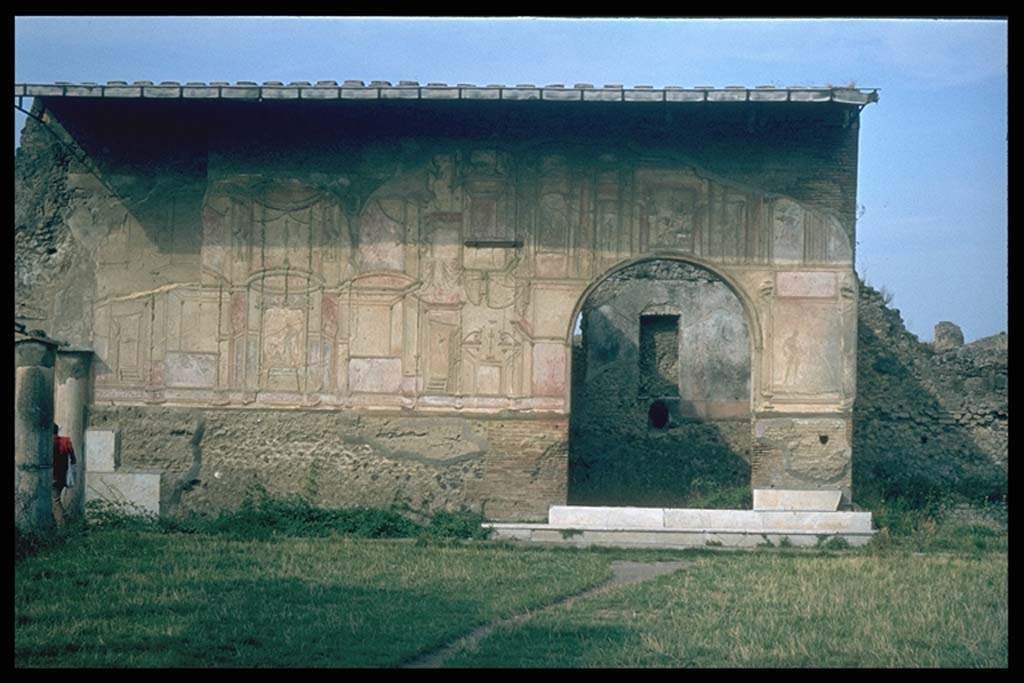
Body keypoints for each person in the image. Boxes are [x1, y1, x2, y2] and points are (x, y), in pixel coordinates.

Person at [52, 424, 77, 527]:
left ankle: (62, 525)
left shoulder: (49, 442)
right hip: (62, 477)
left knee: (55, 501)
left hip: (51, 477)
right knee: (55, 499)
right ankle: (61, 519)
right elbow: (73, 459)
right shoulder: (65, 442)